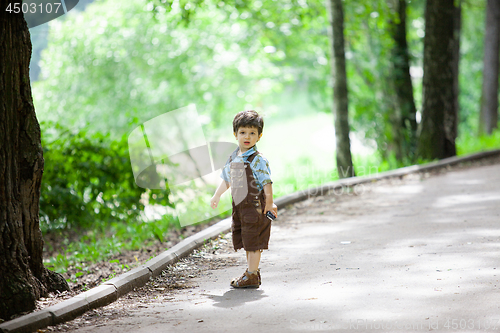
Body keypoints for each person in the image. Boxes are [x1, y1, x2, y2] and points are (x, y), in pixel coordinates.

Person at [210, 110, 278, 288]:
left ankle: (252, 274)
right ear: (235, 134)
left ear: (259, 136)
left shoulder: (257, 160)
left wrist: (269, 203)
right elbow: (227, 179)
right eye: (243, 132)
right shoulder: (233, 157)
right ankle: (251, 271)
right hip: (241, 207)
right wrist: (217, 195)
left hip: (255, 207)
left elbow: (267, 183)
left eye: (252, 133)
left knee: (254, 241)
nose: (247, 136)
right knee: (247, 240)